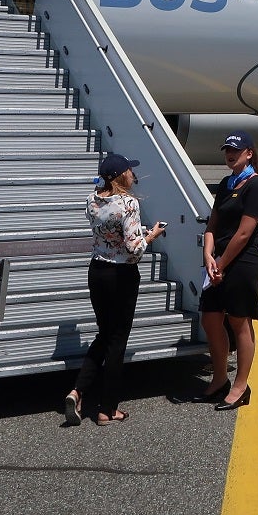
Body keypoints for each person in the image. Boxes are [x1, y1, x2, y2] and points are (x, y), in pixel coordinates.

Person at [64, 153, 164, 426]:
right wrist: (151, 235)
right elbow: (133, 250)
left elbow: (110, 234)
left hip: (97, 271)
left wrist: (136, 233)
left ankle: (78, 390)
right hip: (121, 276)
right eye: (130, 171)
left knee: (104, 334)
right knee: (118, 341)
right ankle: (107, 409)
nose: (133, 175)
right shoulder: (128, 204)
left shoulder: (91, 201)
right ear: (122, 175)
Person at [186, 131, 258, 411]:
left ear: (249, 153)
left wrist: (220, 264)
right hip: (218, 262)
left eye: (236, 150)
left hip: (243, 262)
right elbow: (212, 225)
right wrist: (208, 255)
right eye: (227, 150)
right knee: (211, 320)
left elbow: (245, 232)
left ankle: (240, 386)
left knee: (239, 322)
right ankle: (220, 378)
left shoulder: (255, 185)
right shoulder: (225, 183)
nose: (230, 154)